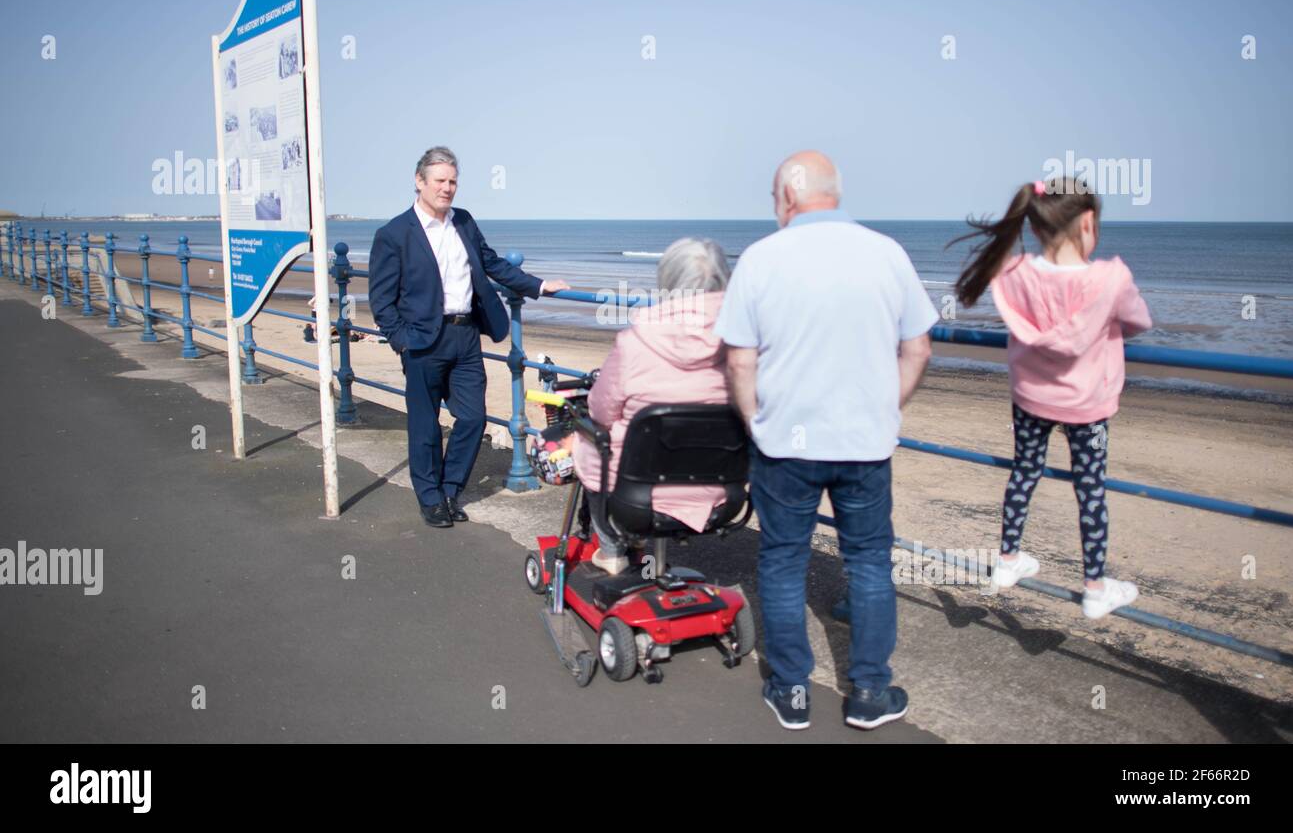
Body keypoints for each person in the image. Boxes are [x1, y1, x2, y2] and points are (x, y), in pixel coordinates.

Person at [715, 151, 936, 732]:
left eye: (771, 197)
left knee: (784, 561)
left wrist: (754, 418)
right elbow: (918, 349)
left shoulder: (762, 258)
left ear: (789, 193)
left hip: (785, 442)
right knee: (868, 563)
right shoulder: (887, 253)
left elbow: (739, 361)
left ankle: (790, 691)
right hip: (865, 442)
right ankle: (868, 692)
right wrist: (885, 407)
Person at [950, 177, 1152, 618]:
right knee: (1091, 489)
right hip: (1089, 406)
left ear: (1036, 226)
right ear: (1088, 223)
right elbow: (1139, 321)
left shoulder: (1015, 272)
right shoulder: (1111, 278)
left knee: (1024, 471)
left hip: (1030, 399)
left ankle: (1006, 561)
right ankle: (1096, 587)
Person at [369, 146, 569, 528]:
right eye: (440, 181)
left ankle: (449, 490)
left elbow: (492, 263)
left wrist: (539, 286)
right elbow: (381, 300)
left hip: (465, 336)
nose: (447, 189)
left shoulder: (463, 221)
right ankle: (429, 498)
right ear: (419, 182)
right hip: (422, 342)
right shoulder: (394, 234)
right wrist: (401, 340)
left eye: (453, 182)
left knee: (473, 418)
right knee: (425, 426)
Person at [569, 237, 732, 574]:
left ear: (667, 283)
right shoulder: (742, 344)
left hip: (638, 494)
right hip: (715, 492)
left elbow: (601, 411)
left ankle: (613, 550)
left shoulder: (636, 342)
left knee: (590, 441)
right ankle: (644, 550)